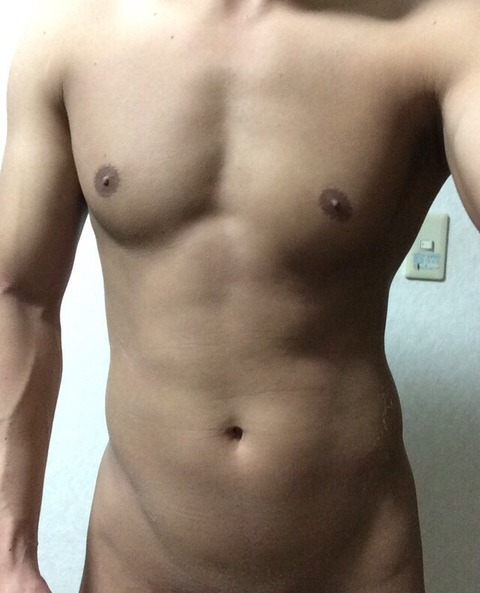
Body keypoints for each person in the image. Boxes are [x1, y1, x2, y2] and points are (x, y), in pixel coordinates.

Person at [0, 0, 478, 591]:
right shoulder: (70, 36)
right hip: (137, 566)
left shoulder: (439, 32)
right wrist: (10, 553)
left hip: (352, 565)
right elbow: (20, 297)